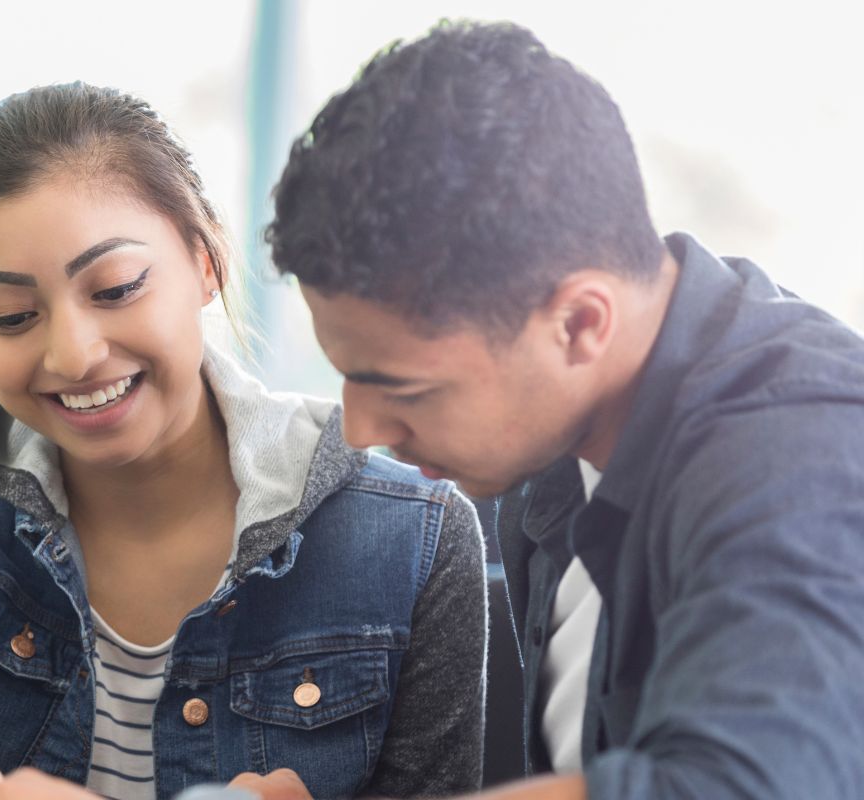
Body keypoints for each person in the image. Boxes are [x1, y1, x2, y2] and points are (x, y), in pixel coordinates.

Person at [247, 18, 864, 800]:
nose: (363, 431)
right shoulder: (550, 445)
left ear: (580, 323)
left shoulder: (801, 452)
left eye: (404, 388)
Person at [0, 82, 487, 800]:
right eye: (11, 316)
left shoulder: (414, 535)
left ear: (206, 264)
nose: (74, 356)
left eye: (115, 289)